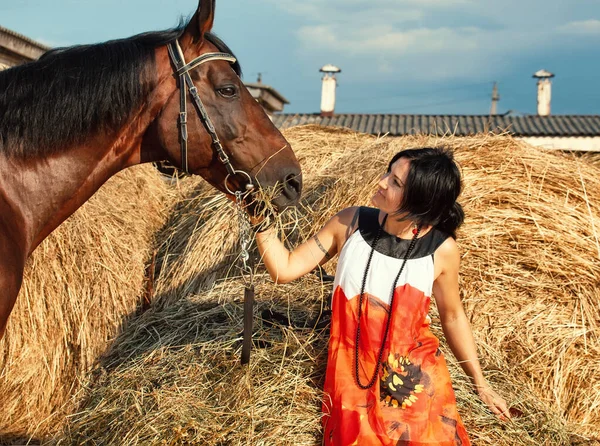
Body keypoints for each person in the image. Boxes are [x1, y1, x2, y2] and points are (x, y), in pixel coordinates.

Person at [251, 147, 510, 445]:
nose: (381, 182)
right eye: (389, 173)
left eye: (396, 183)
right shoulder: (349, 223)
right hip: (351, 370)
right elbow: (283, 269)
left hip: (416, 378)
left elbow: (452, 316)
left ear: (420, 201)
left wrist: (481, 384)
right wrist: (260, 218)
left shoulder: (443, 250)